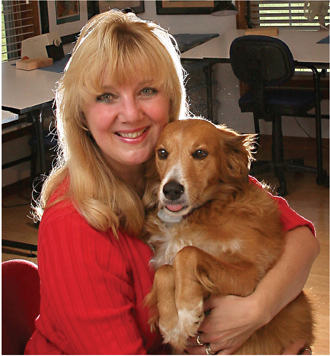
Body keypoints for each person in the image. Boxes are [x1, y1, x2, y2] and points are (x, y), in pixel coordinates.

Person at [25, 9, 319, 355]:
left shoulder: (177, 163)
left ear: (170, 100)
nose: (131, 113)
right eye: (106, 96)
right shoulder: (73, 228)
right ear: (81, 115)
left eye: (146, 90)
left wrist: (257, 310)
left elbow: (301, 239)